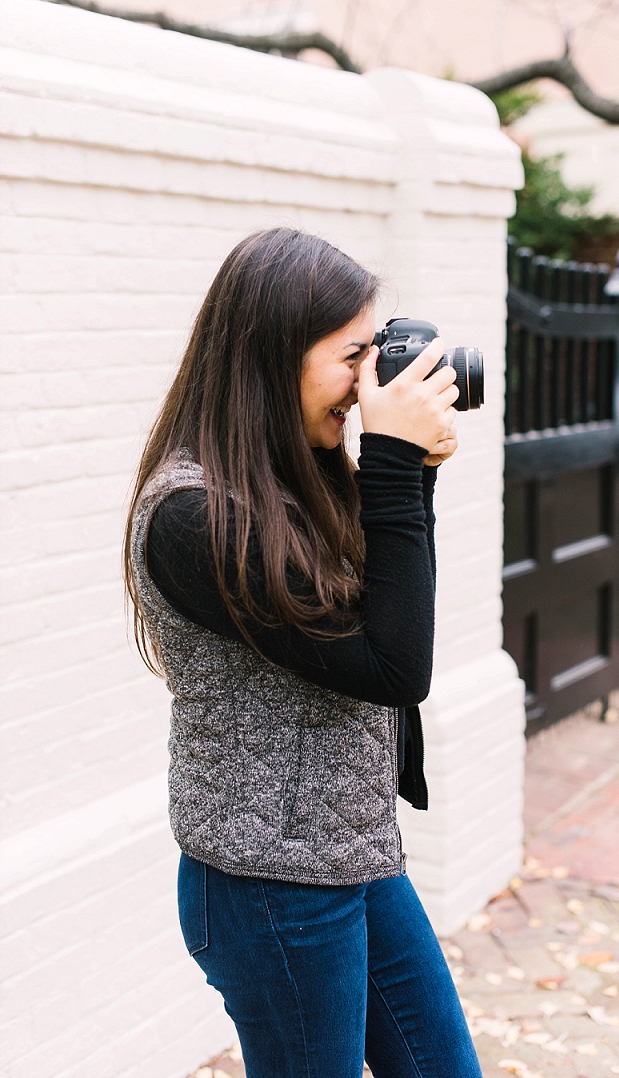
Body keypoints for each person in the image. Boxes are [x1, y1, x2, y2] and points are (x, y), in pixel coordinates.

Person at [124, 228, 483, 1078]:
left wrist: (412, 472)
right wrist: (393, 465)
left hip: (355, 854)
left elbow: (385, 617)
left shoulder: (292, 475)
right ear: (273, 355)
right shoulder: (191, 515)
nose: (368, 387)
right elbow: (395, 668)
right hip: (270, 887)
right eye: (353, 357)